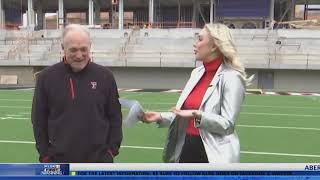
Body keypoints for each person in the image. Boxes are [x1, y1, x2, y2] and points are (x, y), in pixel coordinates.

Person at [141, 23, 251, 163]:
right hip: (187, 147)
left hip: (213, 155)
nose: (195, 44)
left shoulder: (232, 77)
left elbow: (227, 125)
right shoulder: (196, 73)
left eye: (199, 39)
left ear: (213, 46)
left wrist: (198, 116)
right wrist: (159, 117)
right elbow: (184, 114)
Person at [31, 24, 122, 163]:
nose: (79, 55)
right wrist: (45, 156)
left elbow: (115, 117)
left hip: (99, 162)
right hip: (58, 162)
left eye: (83, 49)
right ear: (63, 48)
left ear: (90, 46)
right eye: (73, 50)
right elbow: (38, 120)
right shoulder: (46, 78)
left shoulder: (105, 77)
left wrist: (111, 151)